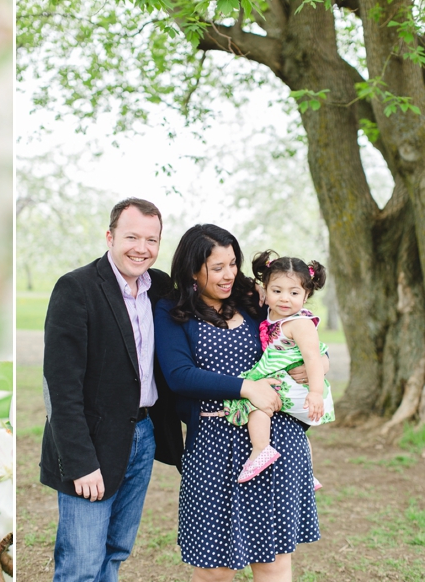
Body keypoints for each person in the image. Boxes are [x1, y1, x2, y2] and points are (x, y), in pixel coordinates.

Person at [154, 224, 322, 581]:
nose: (229, 274)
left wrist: (317, 365)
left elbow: (298, 331)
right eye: (217, 267)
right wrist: (247, 387)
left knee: (273, 563)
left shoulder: (252, 298)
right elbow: (179, 375)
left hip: (275, 442)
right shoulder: (172, 311)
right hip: (213, 445)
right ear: (192, 271)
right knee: (213, 568)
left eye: (233, 263)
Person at [40, 197, 183, 582]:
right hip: (92, 443)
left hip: (144, 434)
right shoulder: (76, 288)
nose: (142, 248)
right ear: (110, 236)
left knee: (115, 552)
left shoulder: (161, 289)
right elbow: (60, 386)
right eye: (132, 236)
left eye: (151, 240)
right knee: (81, 563)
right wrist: (80, 462)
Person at [225, 250, 335, 483]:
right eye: (277, 291)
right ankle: (308, 474)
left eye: (294, 293)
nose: (285, 298)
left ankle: (260, 449)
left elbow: (313, 358)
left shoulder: (299, 323)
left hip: (302, 389)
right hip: (294, 386)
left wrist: (315, 393)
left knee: (254, 399)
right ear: (265, 290)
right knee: (294, 429)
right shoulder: (273, 315)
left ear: (306, 296)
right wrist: (256, 288)